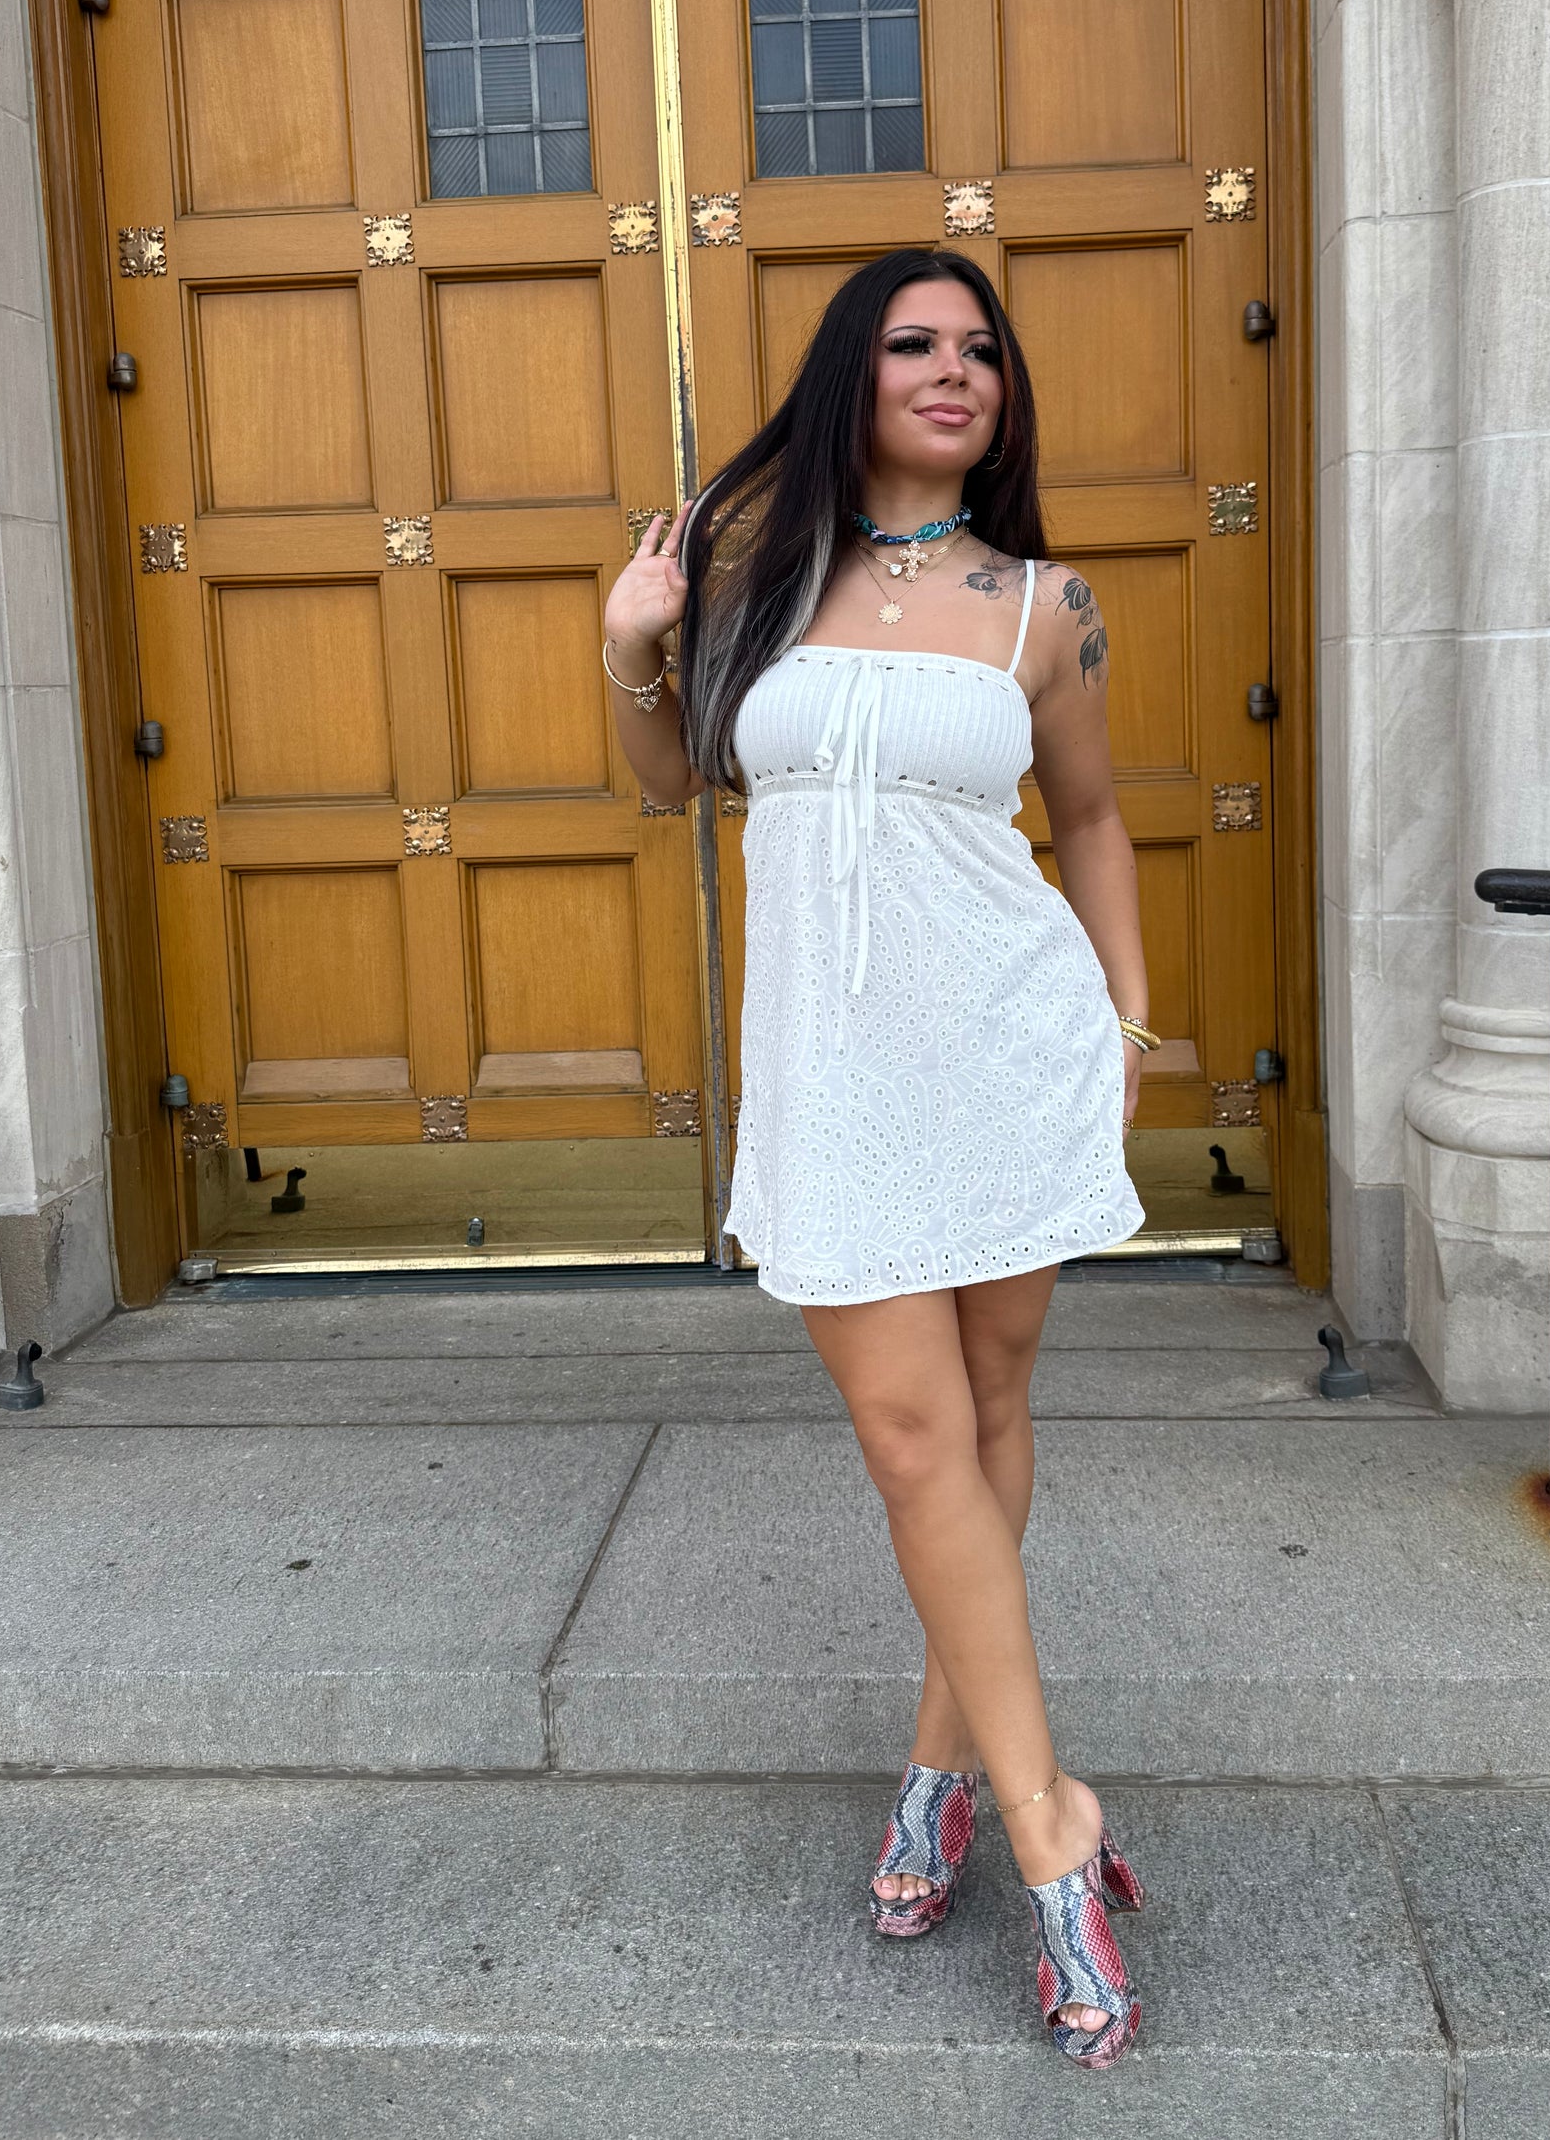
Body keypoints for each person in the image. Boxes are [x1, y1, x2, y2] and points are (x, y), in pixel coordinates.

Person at [601, 248, 1152, 2067]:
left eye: (980, 349)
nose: (953, 370)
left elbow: (1090, 819)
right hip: (832, 1080)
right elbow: (669, 783)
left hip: (1006, 1046)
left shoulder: (1042, 605)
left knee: (982, 1421)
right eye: (915, 344)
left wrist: (1127, 1025)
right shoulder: (756, 587)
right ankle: (1051, 1821)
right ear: (856, 374)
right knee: (915, 1439)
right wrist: (629, 648)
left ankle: (940, 1774)